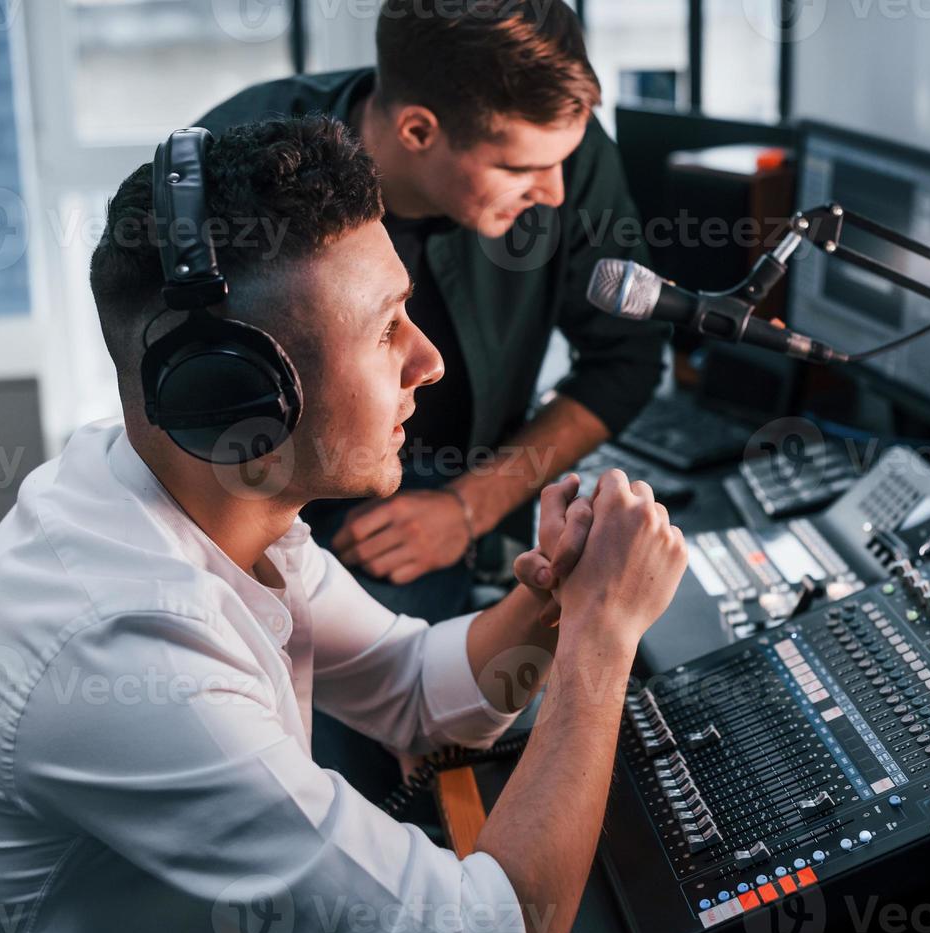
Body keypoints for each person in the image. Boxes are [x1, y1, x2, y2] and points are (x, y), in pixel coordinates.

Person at [0, 116, 686, 933]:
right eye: (384, 329)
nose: (428, 361)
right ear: (234, 392)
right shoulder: (120, 645)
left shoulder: (185, 496)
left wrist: (557, 602)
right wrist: (602, 642)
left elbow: (413, 691)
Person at [197, 0, 667, 625]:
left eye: (562, 161)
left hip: (452, 496)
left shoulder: (561, 144)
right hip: (267, 504)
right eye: (519, 168)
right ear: (419, 131)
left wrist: (469, 506)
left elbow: (626, 359)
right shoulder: (227, 158)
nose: (555, 191)